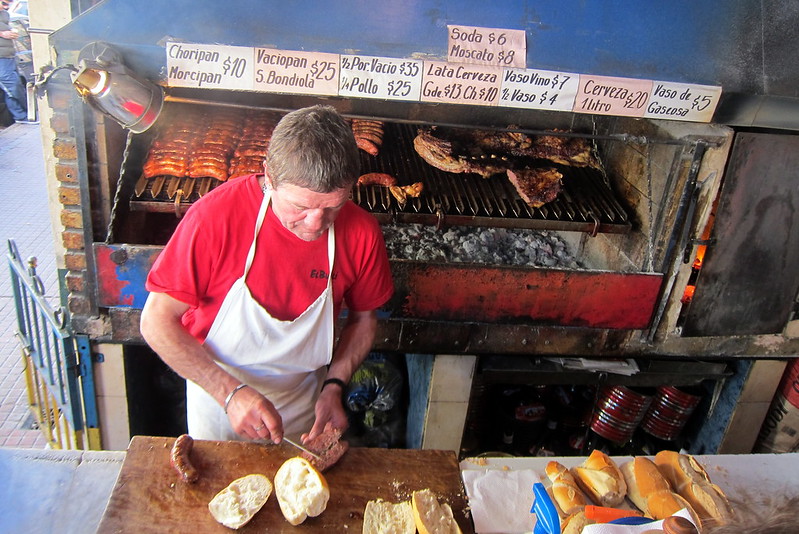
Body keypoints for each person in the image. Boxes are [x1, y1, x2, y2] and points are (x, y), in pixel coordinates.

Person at [140, 105, 394, 447]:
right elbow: (155, 321)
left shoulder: (361, 231)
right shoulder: (215, 218)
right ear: (269, 179)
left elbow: (364, 320)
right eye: (300, 207)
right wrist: (228, 393)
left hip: (304, 405)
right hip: (219, 399)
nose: (315, 224)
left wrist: (335, 386)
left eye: (333, 206)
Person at [0, 0, 29, 124]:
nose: (6, 6)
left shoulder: (5, 14)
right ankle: (23, 114)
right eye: (3, 3)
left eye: (8, 4)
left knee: (14, 87)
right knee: (12, 86)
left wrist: (12, 33)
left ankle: (21, 116)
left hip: (10, 56)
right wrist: (2, 34)